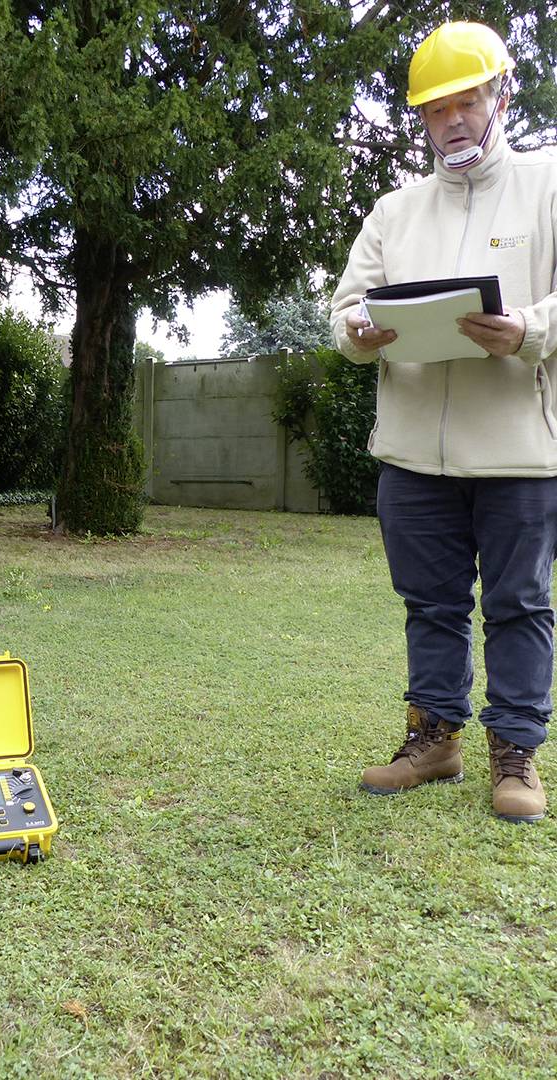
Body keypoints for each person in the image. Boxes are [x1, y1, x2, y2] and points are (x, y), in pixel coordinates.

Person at [329, 21, 557, 823]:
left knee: (519, 605)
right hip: (412, 455)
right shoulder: (395, 210)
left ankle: (517, 752)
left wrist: (528, 328)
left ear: (501, 93)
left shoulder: (549, 183)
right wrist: (356, 332)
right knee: (430, 603)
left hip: (520, 454)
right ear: (420, 119)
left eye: (468, 101)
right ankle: (435, 737)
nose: (453, 120)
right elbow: (346, 309)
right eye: (436, 110)